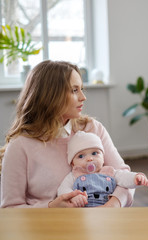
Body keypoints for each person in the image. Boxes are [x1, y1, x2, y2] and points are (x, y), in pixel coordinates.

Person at [0, 60, 134, 208]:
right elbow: (10, 208)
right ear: (50, 95)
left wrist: (112, 205)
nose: (83, 97)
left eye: (81, 89)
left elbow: (125, 177)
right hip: (48, 229)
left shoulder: (93, 129)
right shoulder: (20, 145)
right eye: (74, 90)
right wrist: (51, 208)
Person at [58, 131, 148, 207]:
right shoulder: (74, 176)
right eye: (81, 156)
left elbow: (124, 177)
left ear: (103, 157)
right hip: (83, 213)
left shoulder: (109, 172)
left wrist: (135, 178)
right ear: (73, 163)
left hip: (107, 212)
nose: (90, 158)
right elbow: (63, 190)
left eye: (94, 153)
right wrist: (73, 197)